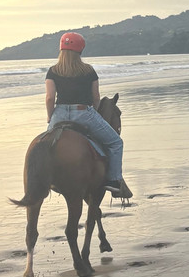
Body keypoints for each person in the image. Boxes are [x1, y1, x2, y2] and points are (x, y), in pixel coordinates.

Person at [45, 32, 132, 198]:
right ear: (81, 50)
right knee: (116, 143)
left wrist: (50, 116)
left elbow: (49, 98)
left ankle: (47, 177)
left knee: (46, 146)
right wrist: (95, 112)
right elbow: (96, 97)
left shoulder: (53, 71)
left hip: (59, 114)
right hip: (83, 112)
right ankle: (113, 181)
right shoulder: (88, 70)